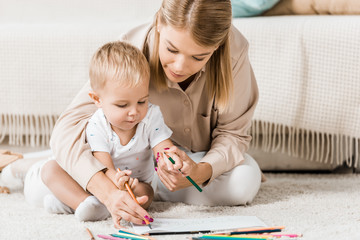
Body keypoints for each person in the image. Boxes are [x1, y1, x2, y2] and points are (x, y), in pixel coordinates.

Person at [4, 0, 262, 228]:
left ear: (218, 46)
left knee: (244, 182)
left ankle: (144, 194)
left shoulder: (234, 51)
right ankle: (21, 166)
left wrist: (200, 173)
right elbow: (68, 128)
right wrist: (107, 191)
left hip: (185, 163)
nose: (180, 66)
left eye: (199, 56)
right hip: (123, 164)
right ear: (159, 23)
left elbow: (233, 134)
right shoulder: (132, 49)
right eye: (171, 50)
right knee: (39, 189)